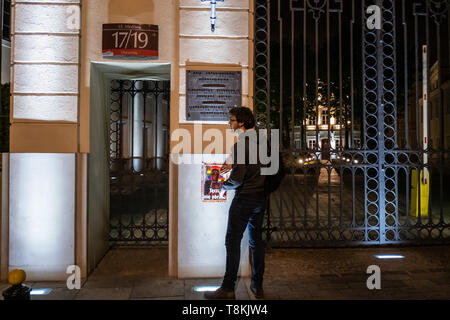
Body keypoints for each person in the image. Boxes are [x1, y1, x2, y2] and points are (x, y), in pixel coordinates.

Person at [204, 106, 267, 300]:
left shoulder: (241, 144)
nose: (229, 123)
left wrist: (222, 185)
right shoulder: (265, 140)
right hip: (260, 198)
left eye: (231, 120)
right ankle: (257, 286)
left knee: (232, 242)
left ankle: (228, 289)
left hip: (245, 198)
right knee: (256, 241)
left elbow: (238, 179)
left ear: (241, 122)